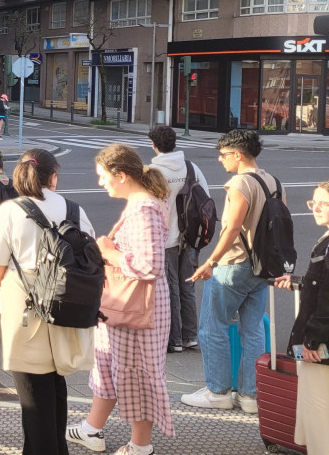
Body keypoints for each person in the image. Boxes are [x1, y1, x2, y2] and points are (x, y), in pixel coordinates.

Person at [0, 149, 96, 455]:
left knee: (31, 390)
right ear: (53, 176)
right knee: (54, 383)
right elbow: (93, 257)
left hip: (25, 303)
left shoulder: (10, 212)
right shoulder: (74, 210)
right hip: (66, 302)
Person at [66, 144, 173, 455]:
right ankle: (91, 429)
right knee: (111, 366)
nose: (101, 182)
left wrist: (110, 253)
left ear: (122, 175)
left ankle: (140, 446)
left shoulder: (144, 209)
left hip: (138, 309)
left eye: (104, 177)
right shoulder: (145, 203)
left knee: (137, 374)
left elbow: (150, 265)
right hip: (131, 305)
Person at [181, 129, 276, 415]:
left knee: (213, 328)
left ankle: (218, 392)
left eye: (223, 155)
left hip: (234, 265)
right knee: (254, 329)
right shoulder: (272, 181)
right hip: (262, 265)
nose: (221, 160)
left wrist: (211, 261)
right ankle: (250, 396)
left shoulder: (239, 184)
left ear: (237, 154)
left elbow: (232, 227)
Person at [276, 181, 329, 455]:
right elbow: (320, 283)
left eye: (324, 203)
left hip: (320, 347)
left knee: (320, 417)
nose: (315, 208)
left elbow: (327, 298)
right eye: (313, 202)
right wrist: (298, 280)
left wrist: (311, 340)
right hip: (320, 343)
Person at [148, 125, 209, 353]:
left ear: (154, 145)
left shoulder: (152, 172)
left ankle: (173, 340)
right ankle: (190, 336)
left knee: (169, 288)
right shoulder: (192, 168)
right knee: (188, 287)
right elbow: (206, 201)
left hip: (165, 240)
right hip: (191, 238)